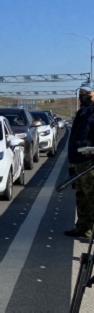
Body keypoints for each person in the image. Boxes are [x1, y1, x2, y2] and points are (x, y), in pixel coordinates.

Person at [64, 82, 94, 240]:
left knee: (92, 197)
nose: (83, 96)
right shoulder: (83, 112)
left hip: (90, 162)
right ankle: (83, 227)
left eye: (87, 93)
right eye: (81, 93)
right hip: (79, 160)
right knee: (81, 196)